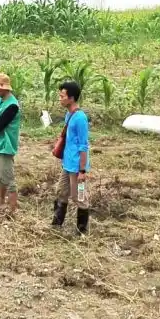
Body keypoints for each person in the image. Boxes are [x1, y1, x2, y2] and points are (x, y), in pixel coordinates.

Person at [54, 80, 90, 234]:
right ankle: (56, 224)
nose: (60, 99)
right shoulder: (69, 115)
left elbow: (83, 145)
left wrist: (82, 171)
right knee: (61, 192)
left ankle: (82, 230)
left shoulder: (80, 118)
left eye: (62, 96)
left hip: (76, 166)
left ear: (71, 98)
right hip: (67, 163)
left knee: (79, 197)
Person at [0, 73, 21, 215]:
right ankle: (0, 202)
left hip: (5, 146)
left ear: (4, 88)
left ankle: (12, 210)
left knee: (8, 179)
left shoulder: (12, 106)